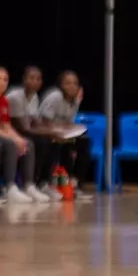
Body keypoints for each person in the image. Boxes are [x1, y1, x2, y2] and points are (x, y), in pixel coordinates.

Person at [0, 66, 45, 204]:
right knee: (9, 143)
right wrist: (12, 139)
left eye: (5, 79)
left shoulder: (3, 100)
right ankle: (9, 186)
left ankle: (28, 185)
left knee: (27, 143)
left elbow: (6, 126)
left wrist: (18, 138)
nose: (2, 82)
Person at [40, 70, 96, 198]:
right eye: (68, 83)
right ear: (60, 85)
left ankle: (74, 182)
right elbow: (44, 122)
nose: (72, 86)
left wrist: (75, 128)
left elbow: (67, 122)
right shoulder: (55, 97)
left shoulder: (74, 100)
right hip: (45, 132)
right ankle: (44, 183)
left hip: (62, 133)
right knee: (57, 144)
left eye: (75, 83)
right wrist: (60, 130)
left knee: (84, 142)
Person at [6, 65, 59, 197]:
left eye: (38, 79)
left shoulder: (34, 96)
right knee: (40, 141)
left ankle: (43, 182)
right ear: (24, 79)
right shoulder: (15, 97)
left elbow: (35, 122)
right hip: (11, 131)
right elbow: (24, 127)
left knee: (53, 142)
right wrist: (49, 132)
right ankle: (30, 183)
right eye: (31, 78)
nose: (35, 81)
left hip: (24, 130)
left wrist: (54, 131)